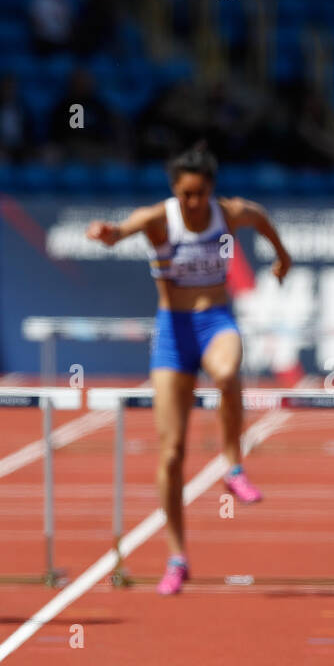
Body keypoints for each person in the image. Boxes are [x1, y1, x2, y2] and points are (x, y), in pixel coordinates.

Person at [85, 144, 292, 595]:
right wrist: (108, 233)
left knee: (227, 372)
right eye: (185, 195)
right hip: (172, 332)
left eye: (200, 194)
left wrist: (282, 255)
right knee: (172, 453)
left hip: (216, 319)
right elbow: (121, 231)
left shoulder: (228, 212)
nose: (193, 203)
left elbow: (259, 218)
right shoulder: (159, 218)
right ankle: (177, 556)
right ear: (175, 191)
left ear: (211, 190)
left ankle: (233, 466)